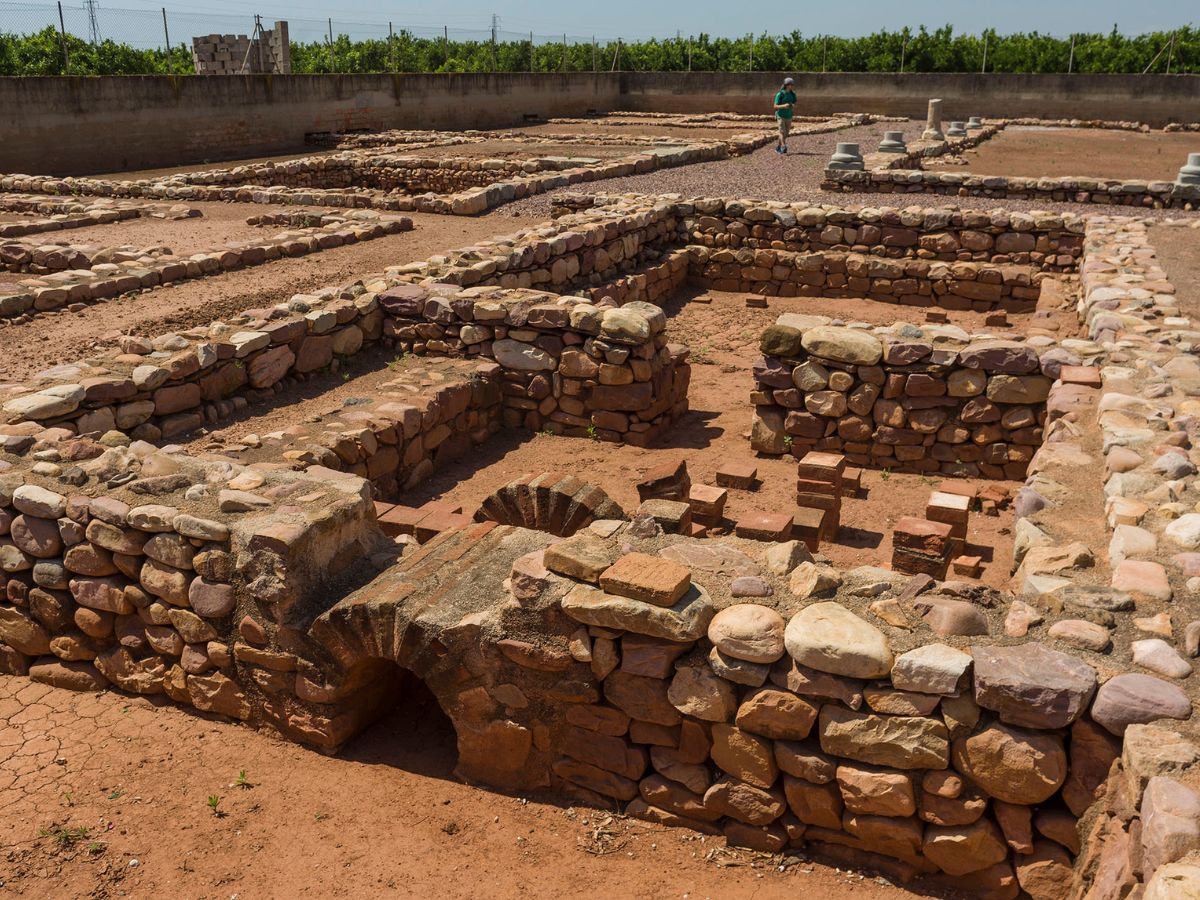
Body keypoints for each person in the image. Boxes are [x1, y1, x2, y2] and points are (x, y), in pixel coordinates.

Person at [773, 77, 797, 154]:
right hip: (780, 115)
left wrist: (792, 105)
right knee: (782, 132)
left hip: (789, 116)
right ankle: (783, 146)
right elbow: (775, 106)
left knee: (786, 133)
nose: (792, 86)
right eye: (791, 84)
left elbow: (794, 103)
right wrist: (784, 106)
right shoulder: (780, 94)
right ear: (786, 85)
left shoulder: (793, 94)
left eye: (792, 84)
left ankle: (778, 147)